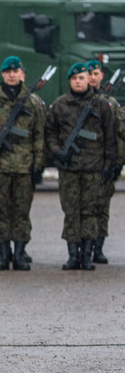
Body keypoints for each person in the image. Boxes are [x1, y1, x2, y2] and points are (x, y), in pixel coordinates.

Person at [0, 56, 46, 271]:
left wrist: (38, 165)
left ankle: (20, 253)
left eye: (15, 71)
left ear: (21, 73)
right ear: (2, 74)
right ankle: (4, 254)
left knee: (22, 212)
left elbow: (39, 135)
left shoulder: (33, 102)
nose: (12, 74)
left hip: (24, 167)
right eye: (7, 71)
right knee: (1, 212)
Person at [45, 62, 118, 270]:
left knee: (90, 212)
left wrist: (111, 164)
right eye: (75, 78)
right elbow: (49, 132)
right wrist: (57, 151)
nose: (79, 81)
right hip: (69, 168)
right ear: (70, 81)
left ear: (89, 80)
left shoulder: (102, 105)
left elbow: (110, 136)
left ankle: (87, 256)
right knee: (71, 211)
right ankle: (72, 255)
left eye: (82, 78)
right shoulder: (59, 105)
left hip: (94, 168)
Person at [86, 59, 123, 263]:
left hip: (105, 164)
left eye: (96, 73)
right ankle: (82, 248)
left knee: (102, 209)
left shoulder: (111, 104)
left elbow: (118, 134)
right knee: (84, 208)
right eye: (88, 74)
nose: (92, 77)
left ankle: (98, 248)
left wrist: (117, 162)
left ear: (102, 76)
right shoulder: (74, 101)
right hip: (84, 164)